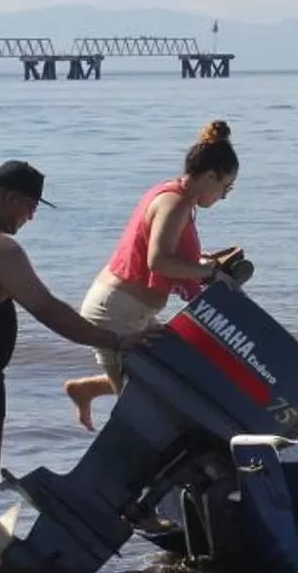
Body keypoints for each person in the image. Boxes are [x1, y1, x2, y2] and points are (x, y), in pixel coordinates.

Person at [0, 160, 153, 573]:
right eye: (30, 207)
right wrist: (115, 341)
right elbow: (49, 310)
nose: (31, 217)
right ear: (10, 197)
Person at [63, 121, 246, 430]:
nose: (224, 196)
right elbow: (159, 261)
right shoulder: (174, 202)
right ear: (211, 175)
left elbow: (168, 253)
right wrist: (208, 272)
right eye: (226, 187)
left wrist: (204, 263)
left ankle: (87, 389)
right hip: (115, 315)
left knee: (172, 373)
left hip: (131, 309)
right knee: (143, 418)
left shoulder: (177, 195)